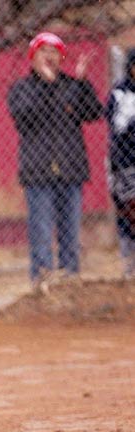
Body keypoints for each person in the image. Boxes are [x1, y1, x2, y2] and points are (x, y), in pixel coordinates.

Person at [7, 32, 103, 288]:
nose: (49, 57)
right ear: (32, 57)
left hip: (70, 170)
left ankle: (70, 278)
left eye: (54, 52)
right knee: (41, 230)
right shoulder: (22, 89)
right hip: (38, 172)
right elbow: (24, 118)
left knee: (69, 231)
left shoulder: (72, 85)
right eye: (43, 51)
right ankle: (43, 281)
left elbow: (93, 112)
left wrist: (83, 82)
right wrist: (48, 87)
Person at [104, 48, 135, 280]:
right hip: (125, 164)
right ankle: (129, 265)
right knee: (127, 213)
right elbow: (118, 128)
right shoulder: (119, 93)